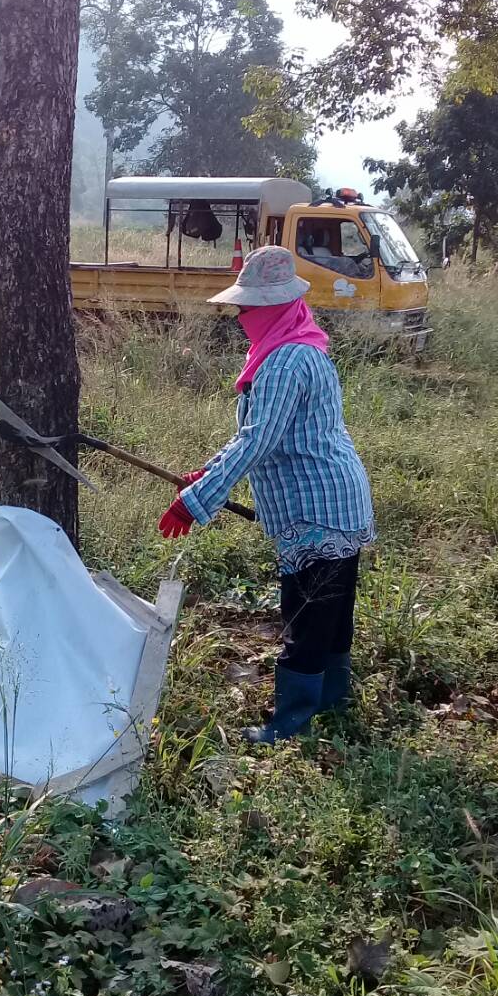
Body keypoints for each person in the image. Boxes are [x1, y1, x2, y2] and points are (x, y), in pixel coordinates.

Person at [158, 246, 374, 743]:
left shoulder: (284, 362)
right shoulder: (304, 347)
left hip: (317, 509)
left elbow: (258, 441)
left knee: (308, 617)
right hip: (336, 502)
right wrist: (208, 473)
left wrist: (195, 501)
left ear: (274, 308)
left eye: (247, 309)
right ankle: (331, 703)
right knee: (330, 614)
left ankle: (290, 724)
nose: (240, 318)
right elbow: (256, 435)